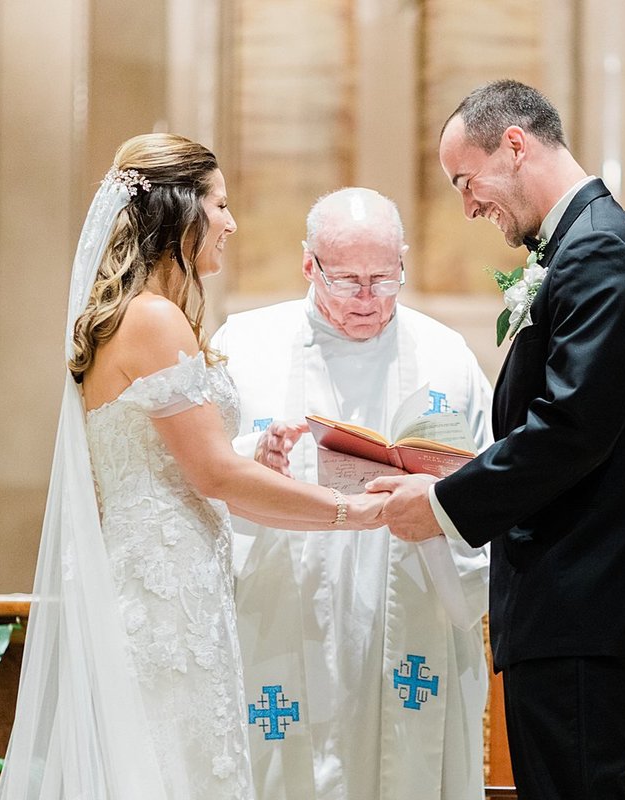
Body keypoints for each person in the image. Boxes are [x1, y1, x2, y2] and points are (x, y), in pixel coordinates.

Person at [0, 134, 385, 800]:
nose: (231, 224)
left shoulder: (133, 318)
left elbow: (174, 465)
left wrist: (244, 455)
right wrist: (354, 511)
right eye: (220, 204)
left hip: (168, 581)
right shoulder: (154, 320)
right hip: (165, 596)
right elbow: (213, 481)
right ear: (180, 210)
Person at [371, 80, 625, 799]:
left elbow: (570, 430)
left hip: (582, 601)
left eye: (465, 181)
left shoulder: (600, 252)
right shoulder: (583, 248)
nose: (468, 205)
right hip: (570, 604)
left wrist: (446, 502)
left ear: (514, 145)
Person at [211, 187, 492, 800]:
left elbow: (490, 487)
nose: (368, 299)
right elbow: (198, 471)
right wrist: (256, 459)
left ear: (404, 264)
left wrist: (440, 496)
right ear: (308, 264)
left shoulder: (447, 356)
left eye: (385, 279)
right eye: (346, 281)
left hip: (411, 587)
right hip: (283, 596)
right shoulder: (245, 346)